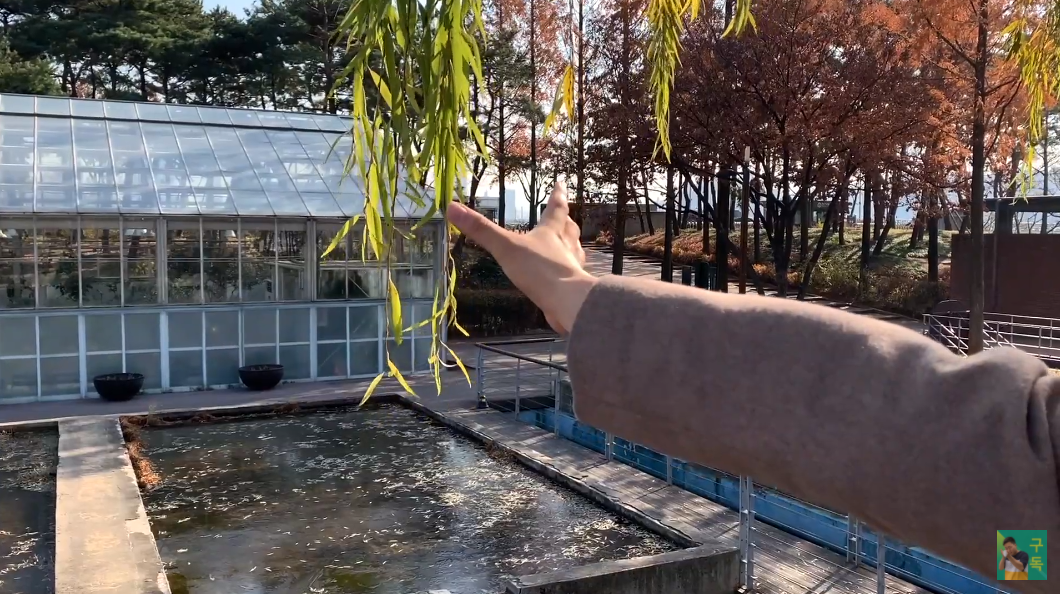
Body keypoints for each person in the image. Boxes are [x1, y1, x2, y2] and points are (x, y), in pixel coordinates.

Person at [445, 184, 1058, 594]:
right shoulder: (1030, 544)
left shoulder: (1027, 536)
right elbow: (1001, 494)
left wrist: (583, 303)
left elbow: (945, 454)